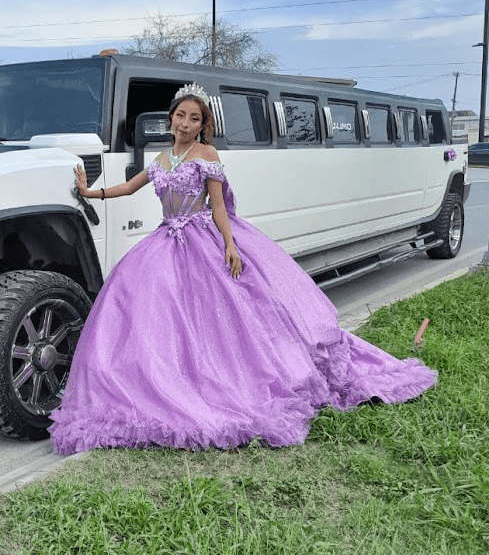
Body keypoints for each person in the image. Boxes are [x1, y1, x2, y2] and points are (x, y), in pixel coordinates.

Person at [48, 82, 437, 454]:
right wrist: (89, 192)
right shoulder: (161, 160)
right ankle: (163, 383)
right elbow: (129, 187)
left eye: (194, 118)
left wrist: (230, 245)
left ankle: (234, 382)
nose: (185, 124)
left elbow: (218, 206)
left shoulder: (207, 157)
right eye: (180, 116)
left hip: (204, 238)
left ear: (203, 125)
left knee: (230, 317)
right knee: (159, 315)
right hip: (166, 241)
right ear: (171, 119)